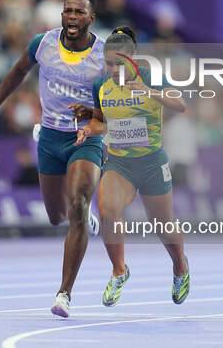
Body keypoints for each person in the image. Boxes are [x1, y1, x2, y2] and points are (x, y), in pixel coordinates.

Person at [0, 0, 104, 318]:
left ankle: (64, 294)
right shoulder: (43, 44)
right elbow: (19, 71)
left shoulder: (105, 55)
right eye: (68, 11)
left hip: (85, 138)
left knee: (77, 205)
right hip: (48, 138)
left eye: (79, 12)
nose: (72, 17)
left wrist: (93, 111)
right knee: (57, 216)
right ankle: (81, 214)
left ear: (91, 19)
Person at [75, 26, 190, 307]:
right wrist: (90, 129)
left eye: (119, 62)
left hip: (151, 162)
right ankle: (119, 270)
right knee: (108, 211)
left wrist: (151, 92)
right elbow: (100, 121)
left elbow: (181, 105)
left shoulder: (151, 76)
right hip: (119, 163)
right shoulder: (100, 86)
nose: (114, 68)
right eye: (109, 63)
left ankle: (180, 266)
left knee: (163, 225)